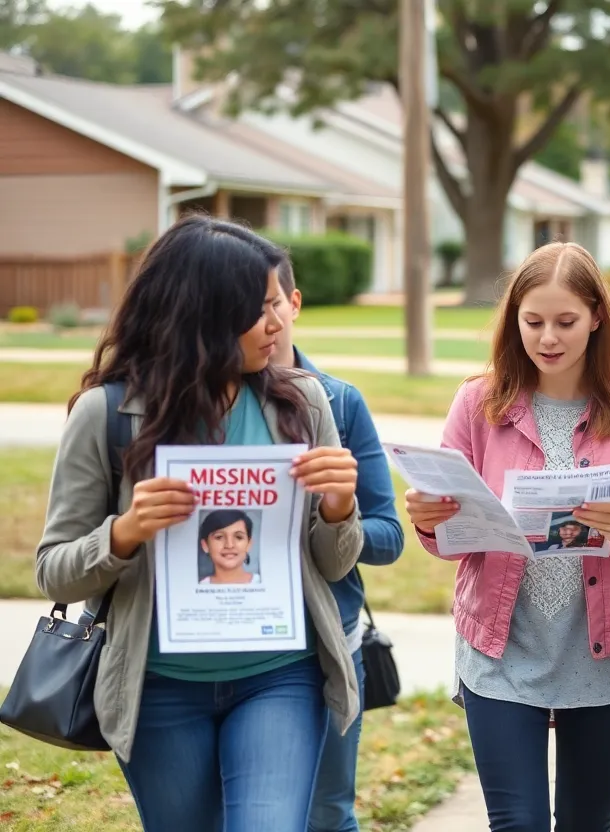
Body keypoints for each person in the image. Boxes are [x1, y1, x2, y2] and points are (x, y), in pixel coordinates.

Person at [35, 215, 364, 832]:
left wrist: (339, 508)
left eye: (277, 305)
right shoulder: (107, 414)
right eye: (258, 310)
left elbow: (333, 563)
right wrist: (125, 532)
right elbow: (55, 572)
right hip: (158, 688)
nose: (277, 324)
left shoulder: (302, 402)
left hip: (279, 676)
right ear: (203, 314)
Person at [403, 241, 610, 831]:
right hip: (499, 650)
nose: (548, 338)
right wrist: (430, 519)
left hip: (603, 655)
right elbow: (447, 540)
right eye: (533, 322)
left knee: (586, 821)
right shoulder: (477, 402)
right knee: (517, 823)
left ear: (597, 317)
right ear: (514, 321)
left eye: (565, 322)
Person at [269, 258, 405, 832]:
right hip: (233, 638)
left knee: (327, 812)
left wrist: (335, 520)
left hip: (327, 640)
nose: (263, 321)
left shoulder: (340, 403)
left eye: (273, 304)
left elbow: (389, 537)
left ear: (295, 303)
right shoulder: (201, 404)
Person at [198, 509, 259, 585]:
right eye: (219, 537)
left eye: (238, 537)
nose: (229, 545)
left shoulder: (267, 583)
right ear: (205, 545)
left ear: (249, 544)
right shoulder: (197, 587)